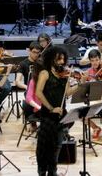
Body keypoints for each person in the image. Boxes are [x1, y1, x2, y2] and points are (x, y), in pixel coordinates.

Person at [34, 46, 80, 176]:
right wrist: (51, 108)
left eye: (63, 59)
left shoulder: (64, 75)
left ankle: (53, 171)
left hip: (61, 115)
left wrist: (79, 84)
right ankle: (42, 171)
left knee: (57, 146)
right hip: (48, 115)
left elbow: (67, 93)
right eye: (58, 59)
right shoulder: (45, 73)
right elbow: (38, 92)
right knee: (44, 147)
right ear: (52, 58)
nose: (61, 62)